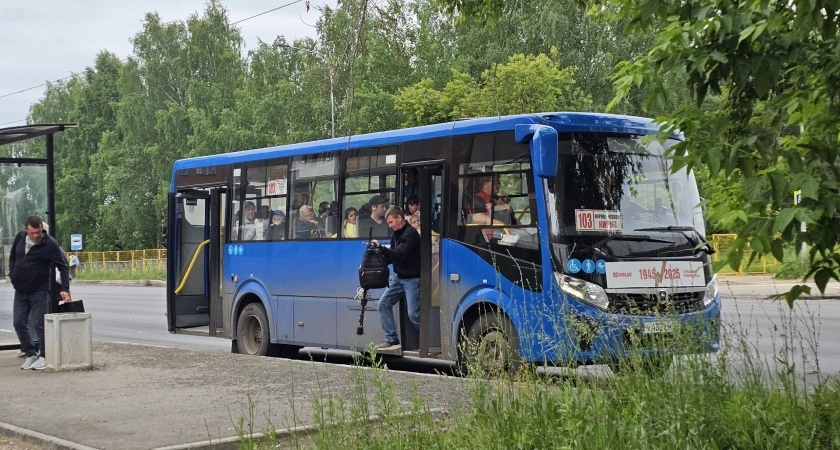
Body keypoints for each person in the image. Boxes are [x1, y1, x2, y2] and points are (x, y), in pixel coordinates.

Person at [9, 216, 71, 370]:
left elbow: (63, 266)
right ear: (26, 230)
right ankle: (30, 354)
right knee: (18, 322)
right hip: (20, 290)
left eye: (39, 232)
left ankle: (43, 356)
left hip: (39, 290)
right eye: (32, 233)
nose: (36, 236)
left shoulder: (49, 243)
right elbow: (12, 256)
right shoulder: (20, 237)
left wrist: (64, 288)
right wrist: (12, 274)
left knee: (38, 324)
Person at [370, 206, 421, 351]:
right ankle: (392, 339)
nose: (390, 226)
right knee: (384, 303)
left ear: (400, 218)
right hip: (400, 277)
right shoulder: (396, 233)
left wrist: (381, 248)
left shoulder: (410, 234)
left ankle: (427, 338)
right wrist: (376, 260)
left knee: (414, 314)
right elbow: (392, 257)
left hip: (413, 279)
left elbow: (398, 254)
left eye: (391, 222)